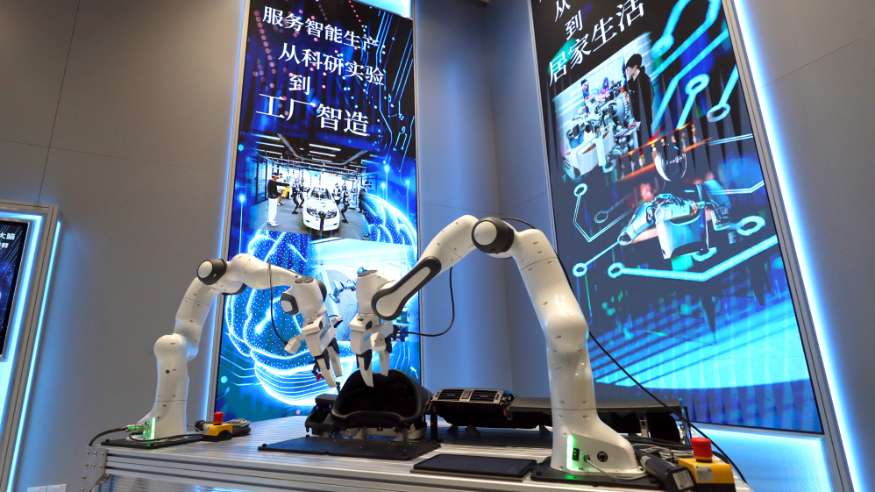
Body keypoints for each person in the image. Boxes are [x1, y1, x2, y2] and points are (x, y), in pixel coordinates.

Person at [624, 53, 654, 137]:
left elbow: (650, 98)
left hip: (644, 120)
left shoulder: (644, 80)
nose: (627, 73)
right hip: (637, 120)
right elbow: (622, 90)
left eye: (628, 70)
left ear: (635, 67)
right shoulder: (631, 82)